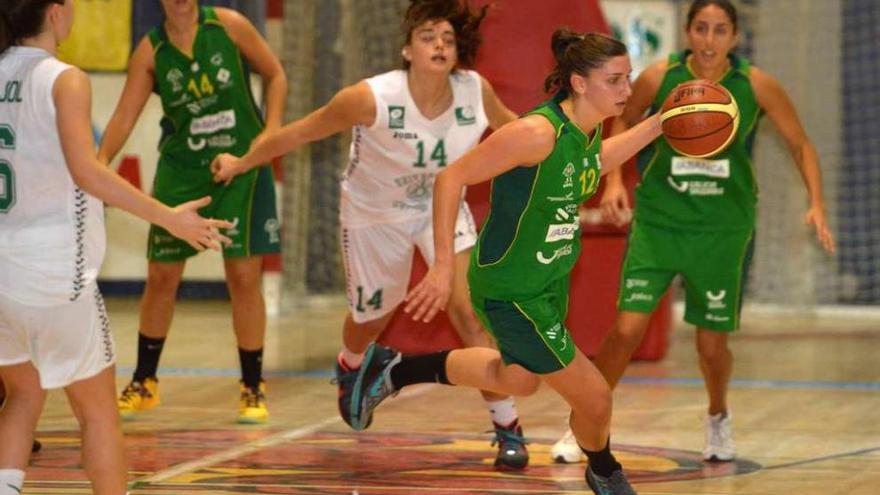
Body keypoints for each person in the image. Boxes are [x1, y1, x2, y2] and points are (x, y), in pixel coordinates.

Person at [332, 29, 663, 495]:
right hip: (511, 288)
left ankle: (395, 370)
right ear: (580, 83)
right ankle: (604, 471)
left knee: (518, 381)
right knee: (595, 397)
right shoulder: (535, 133)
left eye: (628, 79)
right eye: (616, 80)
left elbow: (596, 163)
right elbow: (451, 178)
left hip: (545, 284)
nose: (627, 91)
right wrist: (444, 266)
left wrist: (661, 122)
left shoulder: (588, 132)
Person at [211, 0, 536, 469]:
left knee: (469, 313)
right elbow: (300, 133)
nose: (440, 45)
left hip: (439, 209)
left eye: (447, 38)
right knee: (371, 318)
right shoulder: (370, 97)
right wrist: (242, 162)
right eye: (428, 37)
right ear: (407, 49)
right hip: (374, 213)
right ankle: (351, 364)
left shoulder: (474, 91)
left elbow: (520, 133)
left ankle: (508, 426)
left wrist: (573, 153)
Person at [550, 0, 836, 464]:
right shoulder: (661, 77)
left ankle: (718, 416)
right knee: (626, 330)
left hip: (722, 228)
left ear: (735, 37)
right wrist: (617, 181)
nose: (709, 39)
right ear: (687, 32)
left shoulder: (755, 84)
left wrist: (817, 203)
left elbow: (800, 143)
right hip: (660, 221)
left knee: (710, 345)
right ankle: (584, 425)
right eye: (701, 28)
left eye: (720, 30)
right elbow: (620, 118)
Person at [0, 1, 230, 493]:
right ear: (56, 13)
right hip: (53, 273)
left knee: (21, 397)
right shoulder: (64, 79)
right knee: (99, 414)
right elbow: (88, 172)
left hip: (2, 275)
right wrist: (168, 216)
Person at [97, 0, 287, 424]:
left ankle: (252, 386)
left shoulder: (229, 25)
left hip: (241, 167)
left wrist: (270, 135)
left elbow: (275, 74)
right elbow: (125, 115)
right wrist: (98, 162)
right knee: (162, 275)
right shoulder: (151, 50)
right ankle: (145, 381)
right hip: (182, 170)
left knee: (242, 276)